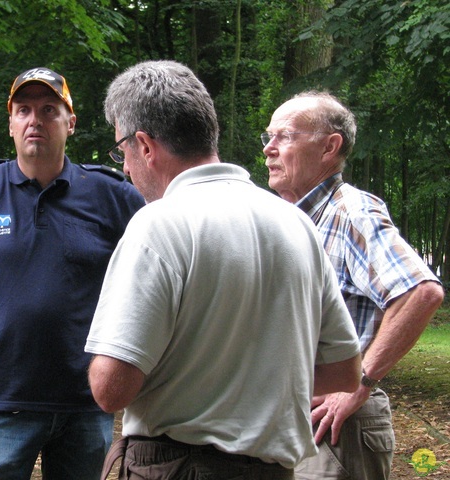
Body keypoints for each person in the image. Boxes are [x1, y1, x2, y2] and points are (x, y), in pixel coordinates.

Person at [85, 60, 363, 480]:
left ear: (144, 145)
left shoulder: (159, 223)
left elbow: (111, 389)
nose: (124, 167)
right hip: (274, 470)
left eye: (121, 149)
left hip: (176, 466)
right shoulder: (295, 223)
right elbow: (345, 370)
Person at [0, 67, 145, 479]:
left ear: (70, 123)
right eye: (23, 110)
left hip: (84, 399)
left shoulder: (111, 195)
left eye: (48, 110)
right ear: (10, 124)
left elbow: (159, 259)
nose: (34, 120)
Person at [263, 91, 446, 480]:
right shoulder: (293, 220)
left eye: (284, 137)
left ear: (330, 147)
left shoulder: (351, 212)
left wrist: (358, 382)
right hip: (296, 421)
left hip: (338, 429)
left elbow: (421, 292)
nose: (269, 150)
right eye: (268, 137)